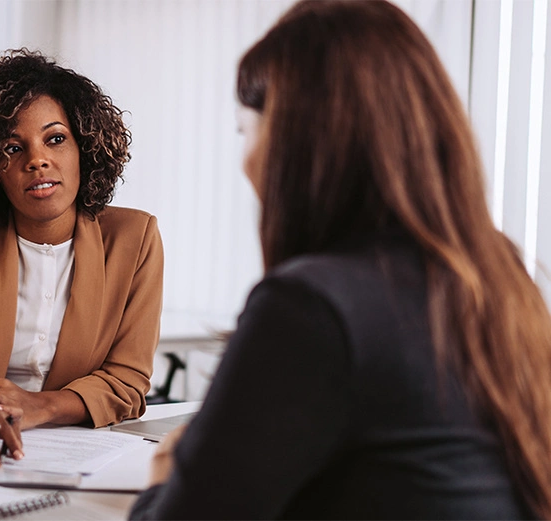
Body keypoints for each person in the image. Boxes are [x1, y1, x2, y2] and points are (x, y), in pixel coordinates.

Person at [130, 1, 551, 519]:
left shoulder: (312, 305)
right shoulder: (501, 277)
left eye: (246, 130)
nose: (245, 159)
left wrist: (164, 477)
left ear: (291, 142)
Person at [0, 49, 164, 467]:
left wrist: (39, 406)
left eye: (56, 138)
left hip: (84, 454)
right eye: (12, 147)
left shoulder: (134, 239)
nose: (37, 160)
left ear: (84, 146)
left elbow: (127, 382)